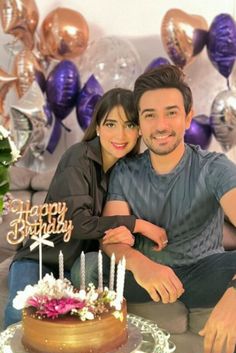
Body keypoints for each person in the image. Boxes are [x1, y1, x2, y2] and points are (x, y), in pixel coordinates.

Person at [101, 65, 236, 353]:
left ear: (188, 117)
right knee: (89, 268)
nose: (161, 125)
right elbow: (111, 239)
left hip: (203, 272)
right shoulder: (125, 171)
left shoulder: (214, 168)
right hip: (142, 280)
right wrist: (140, 264)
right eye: (149, 115)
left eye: (171, 113)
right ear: (140, 123)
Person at [4, 87, 167, 329]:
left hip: (80, 267)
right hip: (40, 258)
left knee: (75, 329)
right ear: (98, 127)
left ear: (139, 130)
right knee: (21, 320)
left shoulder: (129, 170)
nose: (120, 134)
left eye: (129, 124)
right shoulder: (78, 157)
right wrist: (137, 225)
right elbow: (77, 222)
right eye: (111, 124)